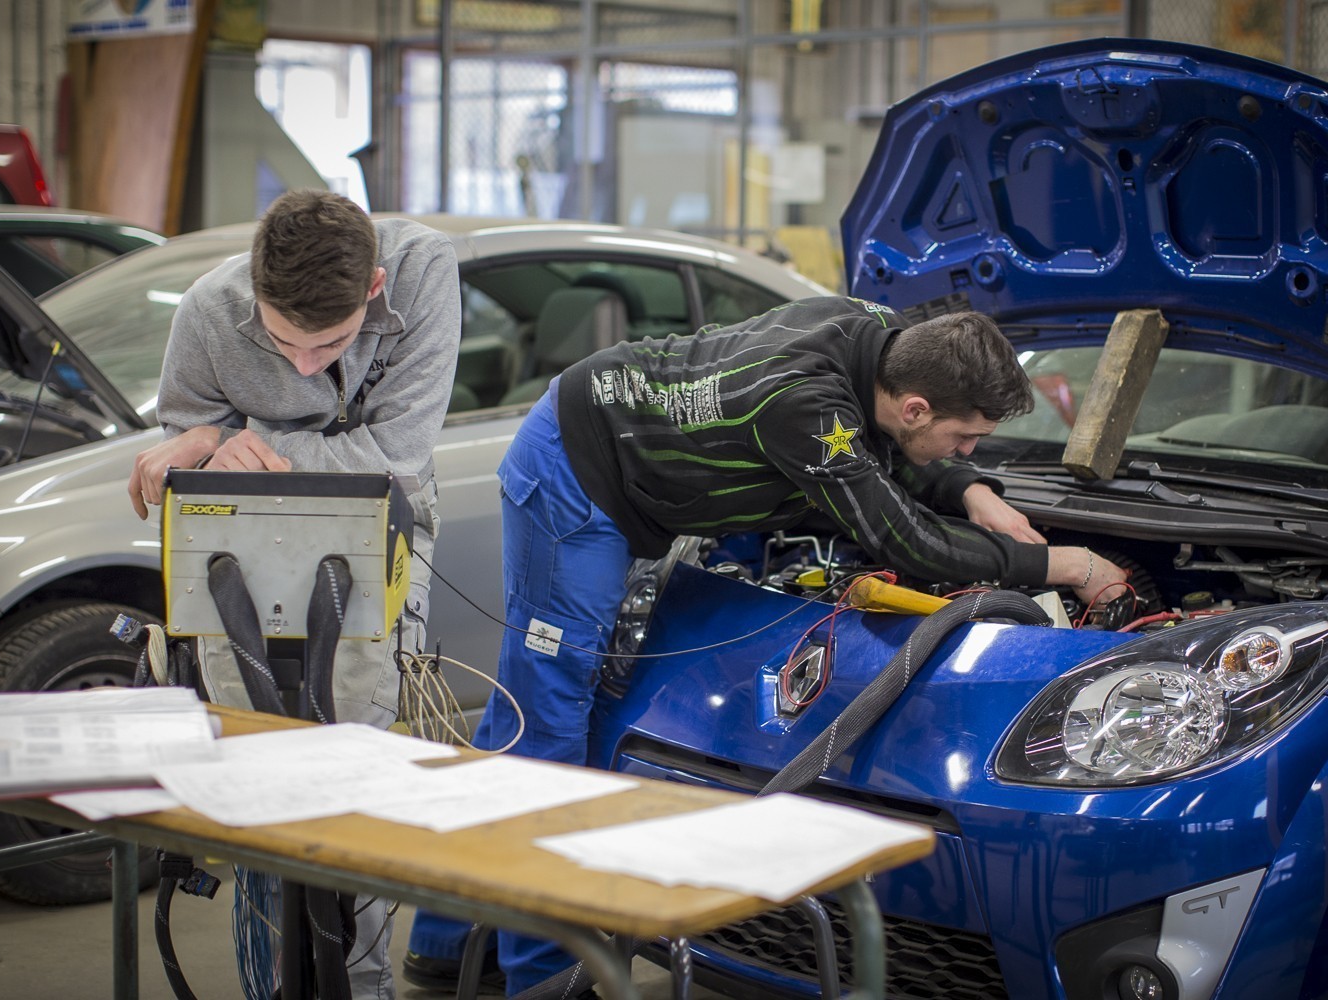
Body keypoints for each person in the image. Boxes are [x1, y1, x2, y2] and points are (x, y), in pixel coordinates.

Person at [405, 295, 1125, 995]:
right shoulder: (804, 408)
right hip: (576, 471)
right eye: (965, 439)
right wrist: (1064, 566)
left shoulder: (881, 331)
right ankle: (545, 980)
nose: (968, 452)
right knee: (550, 727)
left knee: (520, 717)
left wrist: (971, 488)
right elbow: (904, 540)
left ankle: (443, 946)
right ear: (914, 409)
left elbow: (908, 460)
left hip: (624, 442)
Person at [128, 188, 461, 1000]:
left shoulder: (423, 271)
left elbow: (398, 455)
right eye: (283, 344)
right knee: (261, 762)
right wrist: (200, 443)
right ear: (253, 290)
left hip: (380, 524)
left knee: (357, 756)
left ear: (373, 287)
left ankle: (362, 987)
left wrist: (236, 438)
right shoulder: (209, 311)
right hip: (246, 531)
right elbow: (184, 455)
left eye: (333, 344)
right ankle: (277, 981)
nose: (307, 365)